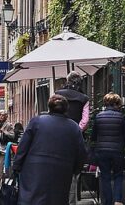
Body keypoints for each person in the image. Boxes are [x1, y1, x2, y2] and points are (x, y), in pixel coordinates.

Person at [11, 96, 86, 205]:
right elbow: (81, 152)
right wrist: (76, 170)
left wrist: (17, 166)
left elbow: (23, 146)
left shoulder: (37, 121)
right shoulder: (74, 127)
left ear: (49, 107)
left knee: (31, 199)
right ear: (66, 109)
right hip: (62, 171)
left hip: (33, 170)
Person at [87, 94, 125, 205]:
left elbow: (93, 136)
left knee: (105, 176)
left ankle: (107, 202)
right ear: (117, 104)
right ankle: (117, 200)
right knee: (118, 175)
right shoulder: (121, 117)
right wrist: (122, 145)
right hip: (117, 150)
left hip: (102, 151)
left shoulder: (99, 117)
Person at [54, 73, 90, 205]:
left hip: (57, 136)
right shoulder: (84, 98)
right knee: (74, 172)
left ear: (66, 81)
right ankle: (70, 201)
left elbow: (51, 114)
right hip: (76, 140)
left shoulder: (57, 94)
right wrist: (76, 130)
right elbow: (85, 121)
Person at [0, 113, 15, 182]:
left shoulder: (8, 125)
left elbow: (13, 135)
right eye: (0, 115)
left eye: (3, 115)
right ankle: (3, 176)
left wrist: (5, 132)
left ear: (6, 117)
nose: (1, 117)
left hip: (3, 147)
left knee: (0, 164)